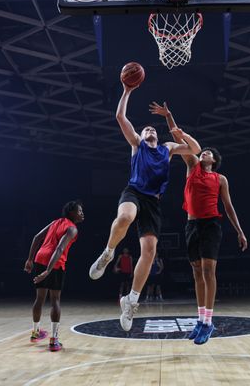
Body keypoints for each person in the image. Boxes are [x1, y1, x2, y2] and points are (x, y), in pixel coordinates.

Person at [89, 82, 201, 332]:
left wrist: (173, 123)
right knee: (126, 215)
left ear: (158, 135)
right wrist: (127, 90)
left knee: (149, 251)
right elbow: (120, 116)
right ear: (141, 135)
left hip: (153, 201)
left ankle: (131, 300)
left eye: (153, 128)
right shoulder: (137, 145)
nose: (150, 129)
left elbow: (195, 149)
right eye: (146, 127)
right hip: (134, 192)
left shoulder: (168, 149)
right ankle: (108, 253)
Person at [149, 101, 248, 345]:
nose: (204, 153)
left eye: (209, 153)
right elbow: (178, 136)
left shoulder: (220, 178)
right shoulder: (192, 166)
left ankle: (208, 322)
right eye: (204, 151)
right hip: (191, 225)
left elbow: (229, 207)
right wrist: (169, 116)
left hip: (211, 225)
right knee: (196, 273)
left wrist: (239, 231)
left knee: (207, 271)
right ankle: (200, 319)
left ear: (214, 161)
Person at [24, 200, 84, 351]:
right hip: (55, 263)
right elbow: (59, 249)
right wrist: (48, 271)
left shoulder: (55, 222)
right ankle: (54, 340)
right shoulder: (72, 229)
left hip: (40, 257)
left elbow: (36, 237)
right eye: (79, 211)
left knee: (39, 298)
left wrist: (30, 259)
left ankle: (35, 333)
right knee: (55, 300)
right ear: (71, 213)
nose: (82, 214)